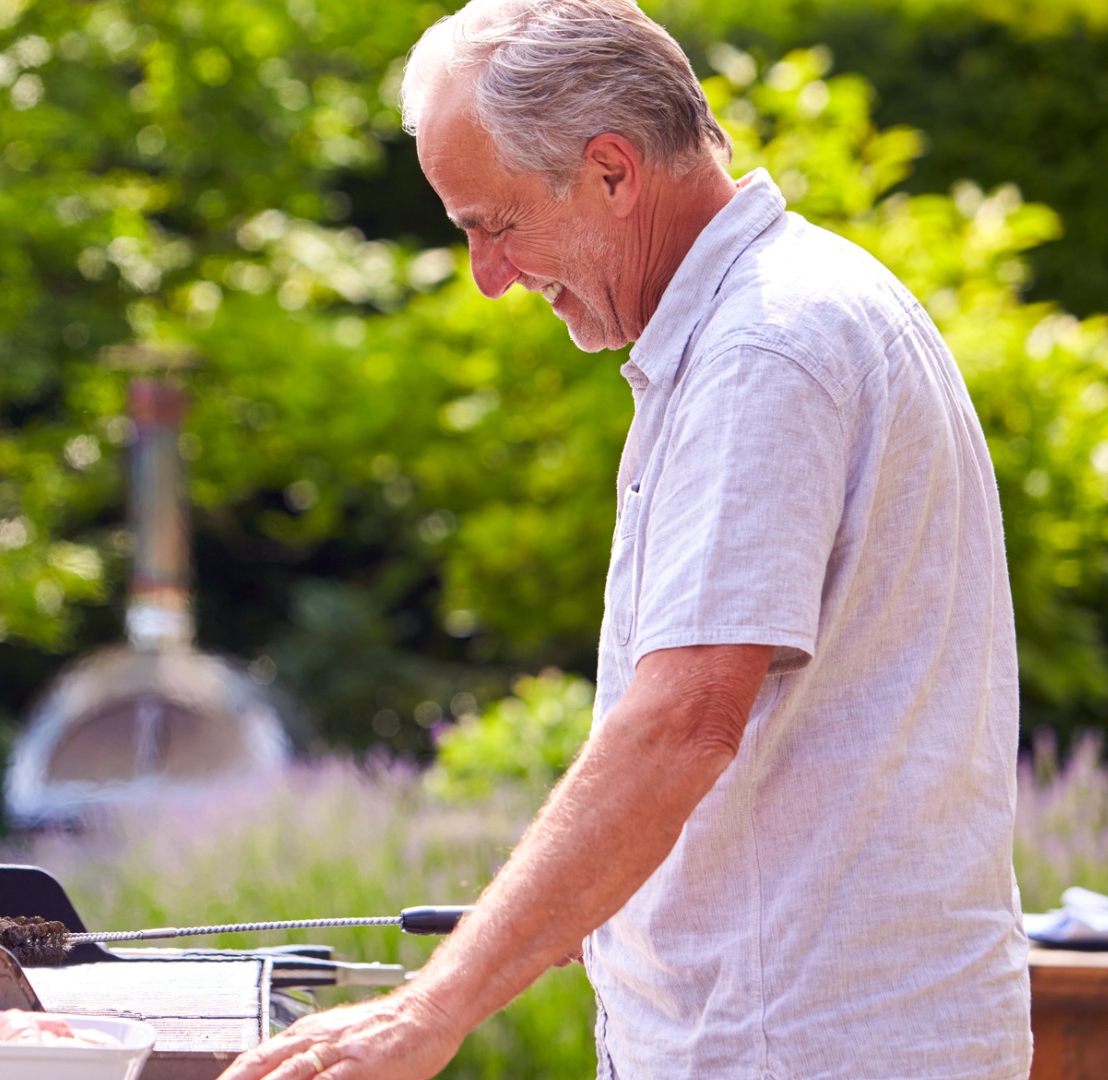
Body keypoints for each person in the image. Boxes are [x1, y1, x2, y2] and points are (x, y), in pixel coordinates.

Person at [219, 0, 1031, 1077]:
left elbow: (683, 724)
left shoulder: (763, 347)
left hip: (796, 1046)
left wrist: (431, 1009)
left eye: (494, 225)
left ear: (611, 170)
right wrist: (559, 905)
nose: (491, 277)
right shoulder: (785, 311)